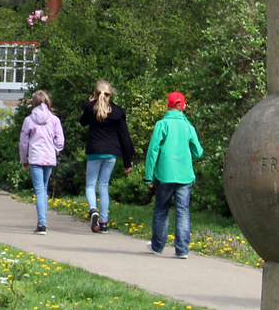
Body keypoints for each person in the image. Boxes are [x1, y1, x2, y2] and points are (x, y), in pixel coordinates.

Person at [142, 91, 204, 258]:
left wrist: (149, 176)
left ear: (167, 106)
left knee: (161, 209)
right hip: (185, 175)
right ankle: (182, 250)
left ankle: (157, 246)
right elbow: (198, 152)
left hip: (165, 174)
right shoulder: (188, 127)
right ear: (183, 106)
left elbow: (153, 151)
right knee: (183, 211)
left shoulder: (162, 125)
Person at [79, 80, 134, 234]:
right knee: (103, 186)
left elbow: (82, 122)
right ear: (111, 94)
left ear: (95, 94)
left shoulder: (91, 108)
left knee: (90, 185)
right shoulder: (117, 112)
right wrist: (127, 162)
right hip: (111, 153)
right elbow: (125, 138)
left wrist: (90, 104)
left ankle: (92, 210)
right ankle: (103, 223)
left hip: (95, 151)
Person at [19, 89, 65, 234]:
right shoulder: (54, 120)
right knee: (44, 189)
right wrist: (55, 151)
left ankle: (42, 223)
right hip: (49, 158)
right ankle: (43, 220)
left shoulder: (29, 120)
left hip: (35, 157)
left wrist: (24, 159)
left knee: (39, 190)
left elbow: (23, 143)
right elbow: (60, 141)